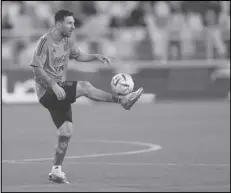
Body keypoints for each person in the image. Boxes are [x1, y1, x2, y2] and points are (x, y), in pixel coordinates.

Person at [30, 9, 143, 184]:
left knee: (66, 131)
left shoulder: (67, 41)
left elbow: (78, 55)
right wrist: (53, 85)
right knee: (84, 87)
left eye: (74, 23)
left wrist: (94, 57)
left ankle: (56, 171)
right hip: (48, 91)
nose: (73, 26)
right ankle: (123, 100)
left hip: (59, 91)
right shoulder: (45, 42)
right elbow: (37, 69)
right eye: (69, 23)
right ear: (58, 24)